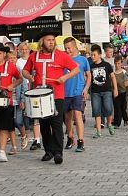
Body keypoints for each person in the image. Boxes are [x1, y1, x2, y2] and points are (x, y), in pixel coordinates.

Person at [22, 31, 79, 165]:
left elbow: (75, 69)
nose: (51, 42)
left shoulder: (61, 55)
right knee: (44, 124)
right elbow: (25, 71)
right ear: (42, 41)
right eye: (48, 40)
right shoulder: (34, 56)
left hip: (56, 95)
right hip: (39, 94)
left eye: (53, 40)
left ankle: (58, 152)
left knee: (57, 123)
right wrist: (29, 76)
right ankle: (49, 151)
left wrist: (64, 78)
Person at [63, 37, 91, 152]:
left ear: (75, 47)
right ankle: (70, 137)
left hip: (78, 92)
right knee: (67, 117)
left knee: (77, 114)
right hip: (65, 92)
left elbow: (89, 75)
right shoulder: (63, 59)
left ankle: (81, 140)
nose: (67, 50)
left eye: (69, 48)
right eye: (66, 48)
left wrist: (86, 89)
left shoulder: (83, 60)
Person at [88, 45, 118, 138]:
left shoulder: (106, 65)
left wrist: (115, 89)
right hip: (95, 92)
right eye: (91, 55)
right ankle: (98, 131)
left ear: (100, 55)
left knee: (108, 109)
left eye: (94, 55)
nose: (92, 57)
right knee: (96, 111)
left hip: (107, 91)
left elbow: (112, 77)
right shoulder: (90, 66)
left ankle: (109, 124)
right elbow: (88, 78)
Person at [17, 41, 41, 151]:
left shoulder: (33, 59)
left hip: (33, 86)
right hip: (23, 87)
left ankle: (36, 137)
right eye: (22, 49)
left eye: (26, 49)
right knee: (23, 114)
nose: (25, 51)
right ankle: (26, 133)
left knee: (34, 112)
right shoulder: (18, 62)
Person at [7, 51, 29, 151]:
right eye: (10, 58)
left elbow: (24, 86)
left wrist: (23, 100)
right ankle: (13, 144)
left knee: (18, 121)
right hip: (9, 100)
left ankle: (24, 136)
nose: (12, 60)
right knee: (9, 122)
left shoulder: (20, 70)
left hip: (18, 99)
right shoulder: (6, 70)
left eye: (14, 58)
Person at [113, 55, 128, 128]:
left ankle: (125, 119)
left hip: (124, 92)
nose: (117, 65)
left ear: (121, 64)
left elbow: (127, 82)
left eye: (119, 63)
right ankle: (117, 123)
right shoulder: (113, 73)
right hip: (116, 92)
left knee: (124, 107)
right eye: (116, 63)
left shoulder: (124, 72)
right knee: (117, 108)